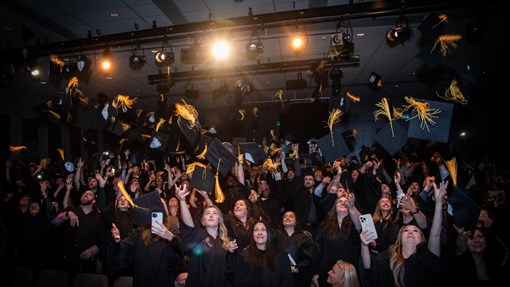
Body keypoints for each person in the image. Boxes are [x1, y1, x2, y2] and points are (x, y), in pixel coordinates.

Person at [359, 181, 448, 287]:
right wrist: (364, 245)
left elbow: (435, 233)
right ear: (399, 238)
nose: (410, 231)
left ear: (423, 238)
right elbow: (369, 267)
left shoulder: (427, 258)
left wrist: (438, 204)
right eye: (405, 230)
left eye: (415, 231)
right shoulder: (389, 258)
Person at [109, 189, 183, 287]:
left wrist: (171, 238)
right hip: (142, 280)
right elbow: (123, 252)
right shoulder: (137, 234)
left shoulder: (170, 233)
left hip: (163, 281)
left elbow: (178, 256)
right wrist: (117, 241)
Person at [176, 182, 233, 287]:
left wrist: (232, 252)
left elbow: (232, 270)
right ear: (203, 220)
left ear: (220, 220)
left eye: (214, 214)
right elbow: (188, 223)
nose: (211, 215)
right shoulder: (198, 236)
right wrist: (182, 200)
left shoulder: (227, 242)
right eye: (207, 213)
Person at [312, 194, 362, 287]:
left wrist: (352, 208)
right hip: (327, 271)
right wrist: (315, 272)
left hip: (348, 271)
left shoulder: (354, 223)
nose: (343, 202)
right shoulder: (325, 224)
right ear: (334, 206)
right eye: (340, 201)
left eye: (345, 201)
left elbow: (360, 226)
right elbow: (318, 249)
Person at [226, 219, 294, 287]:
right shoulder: (244, 255)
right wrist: (231, 252)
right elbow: (233, 276)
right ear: (252, 234)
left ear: (269, 233)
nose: (259, 233)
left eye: (263, 230)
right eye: (256, 230)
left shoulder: (281, 256)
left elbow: (287, 282)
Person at [280, 210, 314, 287]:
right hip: (279, 276)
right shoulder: (276, 236)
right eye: (285, 216)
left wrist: (296, 268)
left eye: (291, 216)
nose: (287, 218)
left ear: (296, 222)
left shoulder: (304, 238)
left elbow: (308, 259)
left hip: (297, 278)